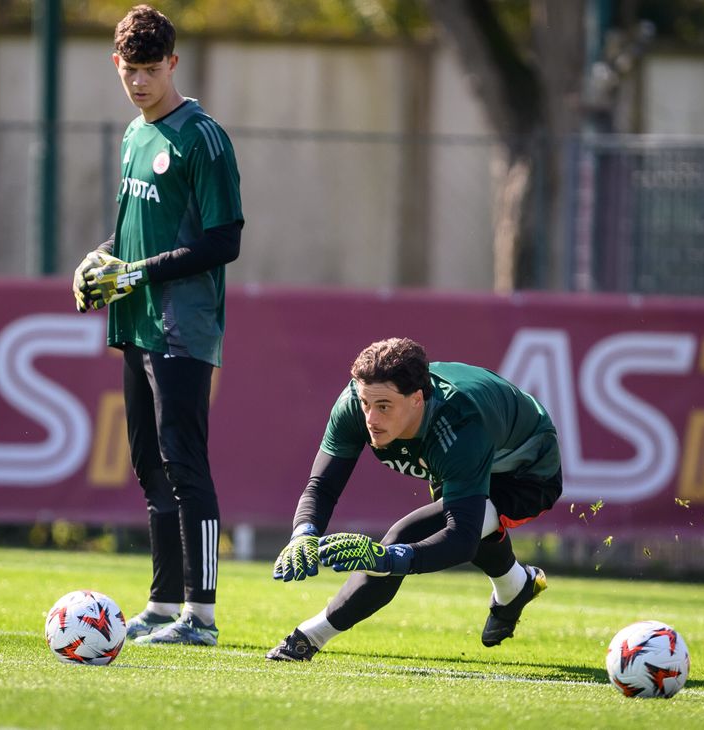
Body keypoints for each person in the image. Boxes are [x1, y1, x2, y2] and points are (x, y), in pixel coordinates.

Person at [73, 4, 243, 647]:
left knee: (184, 462)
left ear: (173, 63)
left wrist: (136, 271)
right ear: (116, 64)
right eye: (130, 70)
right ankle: (163, 600)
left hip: (183, 328)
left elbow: (224, 241)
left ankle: (200, 616)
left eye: (152, 69)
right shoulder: (132, 136)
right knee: (148, 463)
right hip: (137, 323)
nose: (140, 82)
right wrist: (99, 262)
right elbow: (129, 233)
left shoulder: (203, 137)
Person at [266, 337, 562, 661]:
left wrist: (387, 559)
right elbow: (321, 486)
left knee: (406, 537)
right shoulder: (355, 402)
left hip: (527, 470)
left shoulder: (459, 426)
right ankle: (515, 586)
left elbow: (461, 538)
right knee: (472, 521)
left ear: (417, 399)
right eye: (366, 403)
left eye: (383, 407)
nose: (371, 419)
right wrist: (303, 534)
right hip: (474, 450)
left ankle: (309, 637)